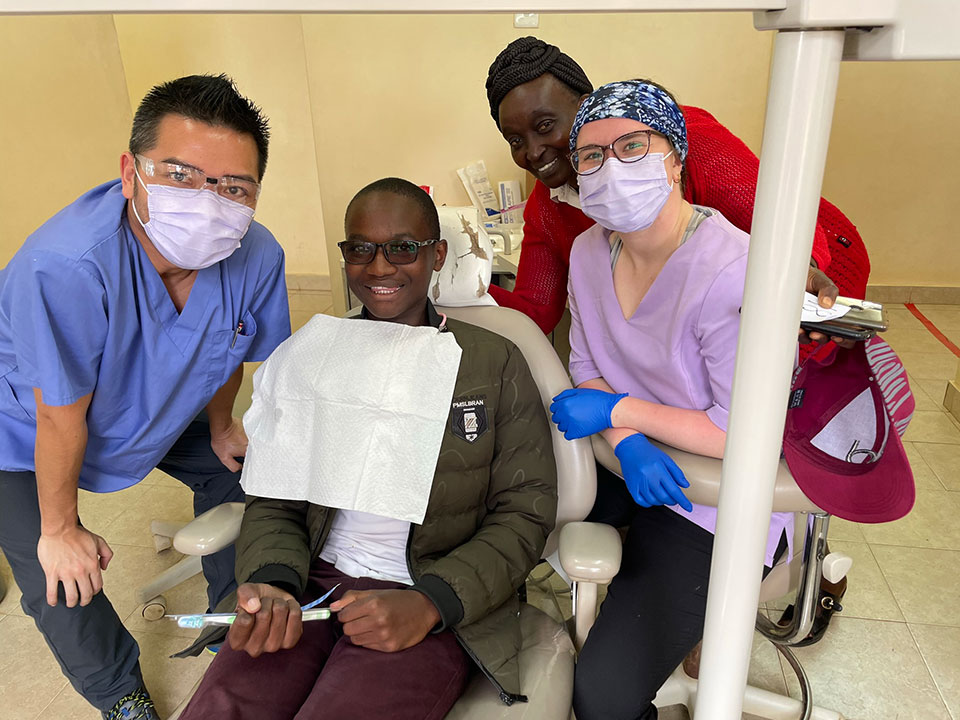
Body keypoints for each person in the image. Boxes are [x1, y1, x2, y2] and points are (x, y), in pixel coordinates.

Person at [177, 178, 558, 720]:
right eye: (360, 248)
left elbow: (524, 512)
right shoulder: (314, 357)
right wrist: (275, 581)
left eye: (403, 247)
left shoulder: (492, 364)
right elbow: (274, 498)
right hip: (310, 581)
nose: (379, 267)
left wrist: (431, 604)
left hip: (428, 588)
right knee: (224, 707)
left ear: (437, 254)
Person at [0, 74, 291, 720]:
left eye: (232, 187)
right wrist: (60, 526)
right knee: (60, 576)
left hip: (156, 402)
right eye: (181, 175)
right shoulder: (66, 267)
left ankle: (232, 626)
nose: (208, 201)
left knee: (243, 471)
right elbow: (57, 414)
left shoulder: (256, 254)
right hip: (24, 429)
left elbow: (230, 346)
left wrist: (221, 426)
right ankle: (118, 693)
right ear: (130, 173)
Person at [547, 80, 791, 720]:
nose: (610, 168)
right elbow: (588, 364)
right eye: (592, 156)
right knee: (511, 503)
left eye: (632, 145)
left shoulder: (734, 268)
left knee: (601, 698)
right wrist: (626, 443)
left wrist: (617, 414)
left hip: (708, 496)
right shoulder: (586, 252)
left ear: (674, 158)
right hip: (626, 461)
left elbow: (744, 430)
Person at [484, 36, 871, 336]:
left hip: (817, 256)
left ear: (587, 105)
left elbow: (781, 222)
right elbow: (535, 312)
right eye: (515, 140)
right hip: (709, 311)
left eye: (545, 126)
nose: (533, 152)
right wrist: (453, 285)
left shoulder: (683, 140)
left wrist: (797, 272)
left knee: (801, 403)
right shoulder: (550, 207)